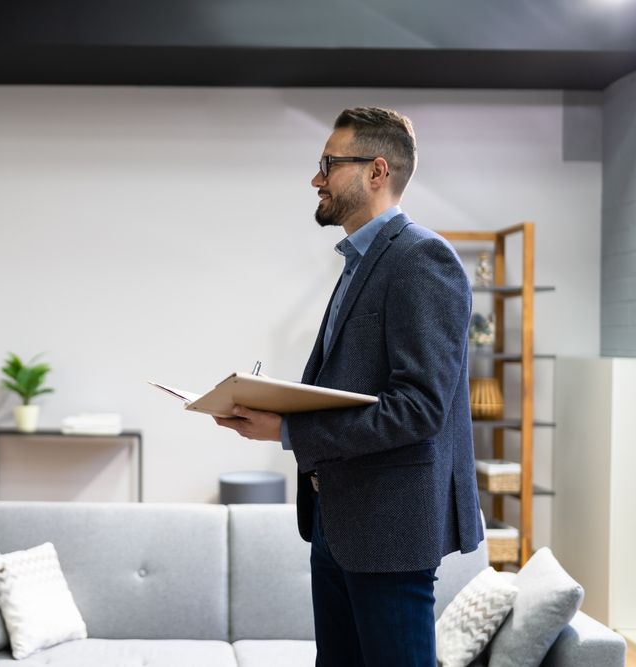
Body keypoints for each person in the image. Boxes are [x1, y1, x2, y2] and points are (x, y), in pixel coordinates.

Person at [214, 107, 483, 667]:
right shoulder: (361, 261)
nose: (317, 179)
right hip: (338, 520)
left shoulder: (420, 258)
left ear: (376, 171)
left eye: (328, 164)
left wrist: (288, 428)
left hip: (389, 530)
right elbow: (359, 384)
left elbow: (419, 408)